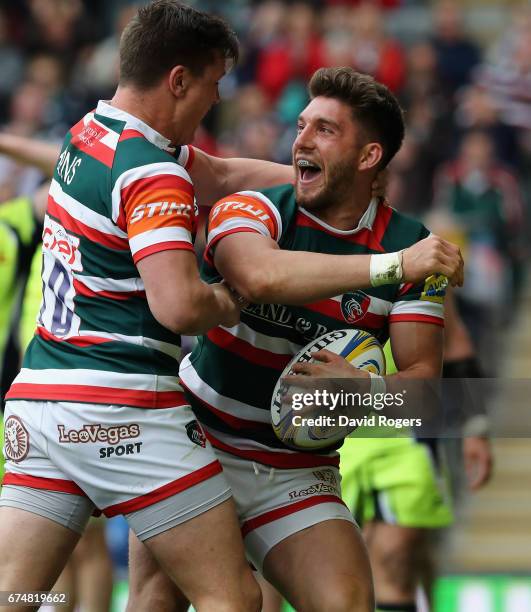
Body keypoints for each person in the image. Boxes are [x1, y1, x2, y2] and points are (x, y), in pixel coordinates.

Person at [128, 67, 464, 612]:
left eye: (325, 130)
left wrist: (363, 391)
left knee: (347, 604)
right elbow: (260, 277)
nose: (300, 140)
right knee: (158, 602)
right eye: (302, 125)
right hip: (196, 443)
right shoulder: (258, 206)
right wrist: (392, 266)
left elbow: (425, 394)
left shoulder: (416, 250)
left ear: (369, 157)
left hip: (296, 469)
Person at [0, 3, 262, 611]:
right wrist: (227, 301)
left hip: (39, 400)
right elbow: (177, 306)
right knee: (231, 596)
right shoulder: (151, 172)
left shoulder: (87, 135)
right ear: (178, 80)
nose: (214, 101)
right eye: (212, 84)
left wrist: (310, 186)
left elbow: (219, 174)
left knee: (15, 595)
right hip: (124, 408)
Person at [340, 291, 492, 612]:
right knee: (330, 572)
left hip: (405, 434)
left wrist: (475, 427)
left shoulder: (419, 251)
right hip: (329, 434)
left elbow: (454, 342)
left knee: (396, 558)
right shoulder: (299, 246)